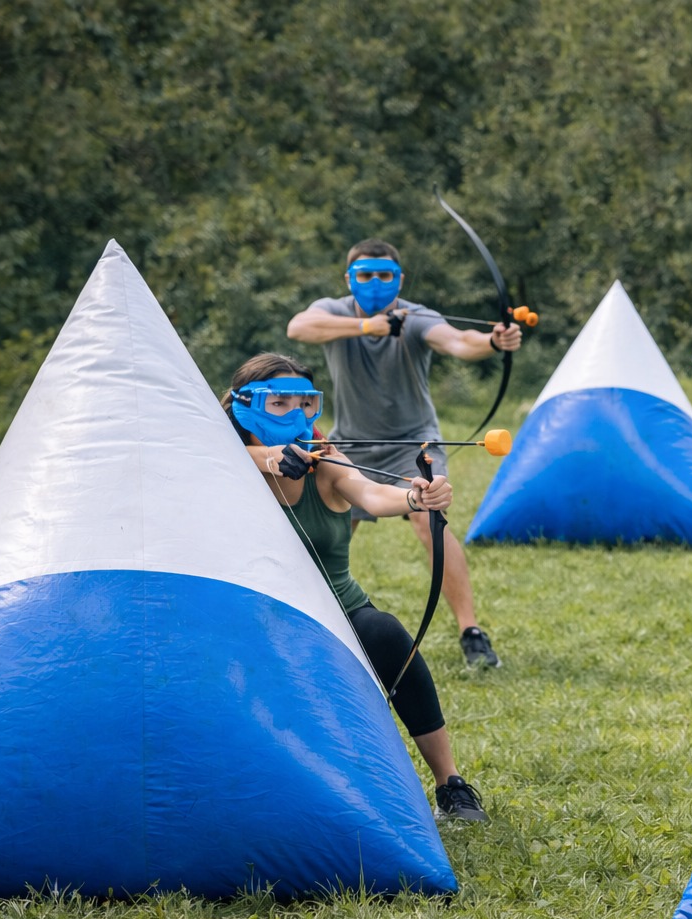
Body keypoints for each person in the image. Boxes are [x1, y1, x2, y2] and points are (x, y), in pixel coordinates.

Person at [222, 352, 488, 822]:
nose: (295, 414)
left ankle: (450, 785)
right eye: (278, 403)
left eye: (304, 403)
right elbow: (188, 451)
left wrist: (415, 497)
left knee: (386, 634)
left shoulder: (325, 461)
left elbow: (371, 493)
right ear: (245, 406)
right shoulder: (218, 459)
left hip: (336, 609)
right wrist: (265, 458)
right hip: (254, 613)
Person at [287, 239, 522, 668]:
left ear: (399, 279)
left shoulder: (415, 317)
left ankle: (471, 632)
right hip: (350, 442)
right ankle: (306, 620)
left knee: (428, 519)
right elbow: (298, 328)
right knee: (329, 530)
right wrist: (366, 327)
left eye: (385, 274)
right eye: (365, 275)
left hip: (415, 443)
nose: (375, 282)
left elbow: (459, 341)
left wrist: (493, 341)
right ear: (349, 279)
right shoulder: (335, 311)